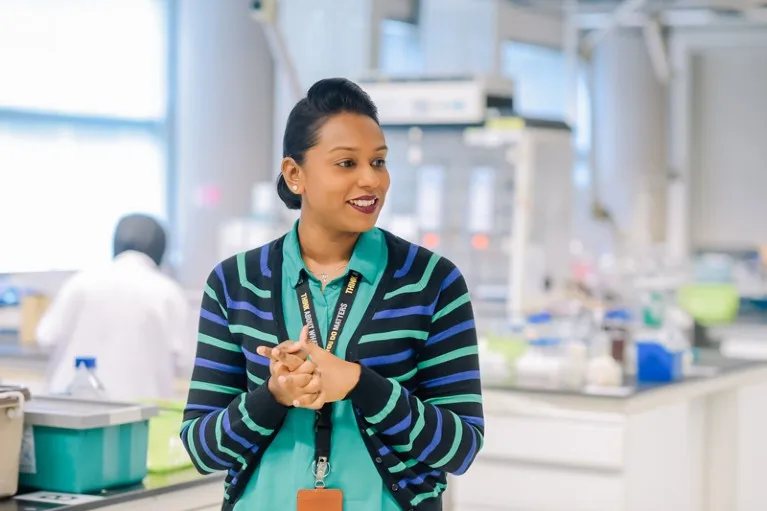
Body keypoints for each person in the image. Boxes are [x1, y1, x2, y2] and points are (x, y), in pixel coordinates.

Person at [181, 78, 484, 511]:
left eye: (378, 162)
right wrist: (275, 395)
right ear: (294, 174)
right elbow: (200, 448)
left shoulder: (431, 281)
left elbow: (461, 448)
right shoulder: (236, 282)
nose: (371, 180)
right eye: (347, 164)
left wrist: (361, 383)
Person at [37, 213, 193, 401]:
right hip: (141, 413)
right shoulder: (169, 292)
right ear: (160, 249)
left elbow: (45, 337)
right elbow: (186, 362)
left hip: (73, 408)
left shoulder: (80, 282)